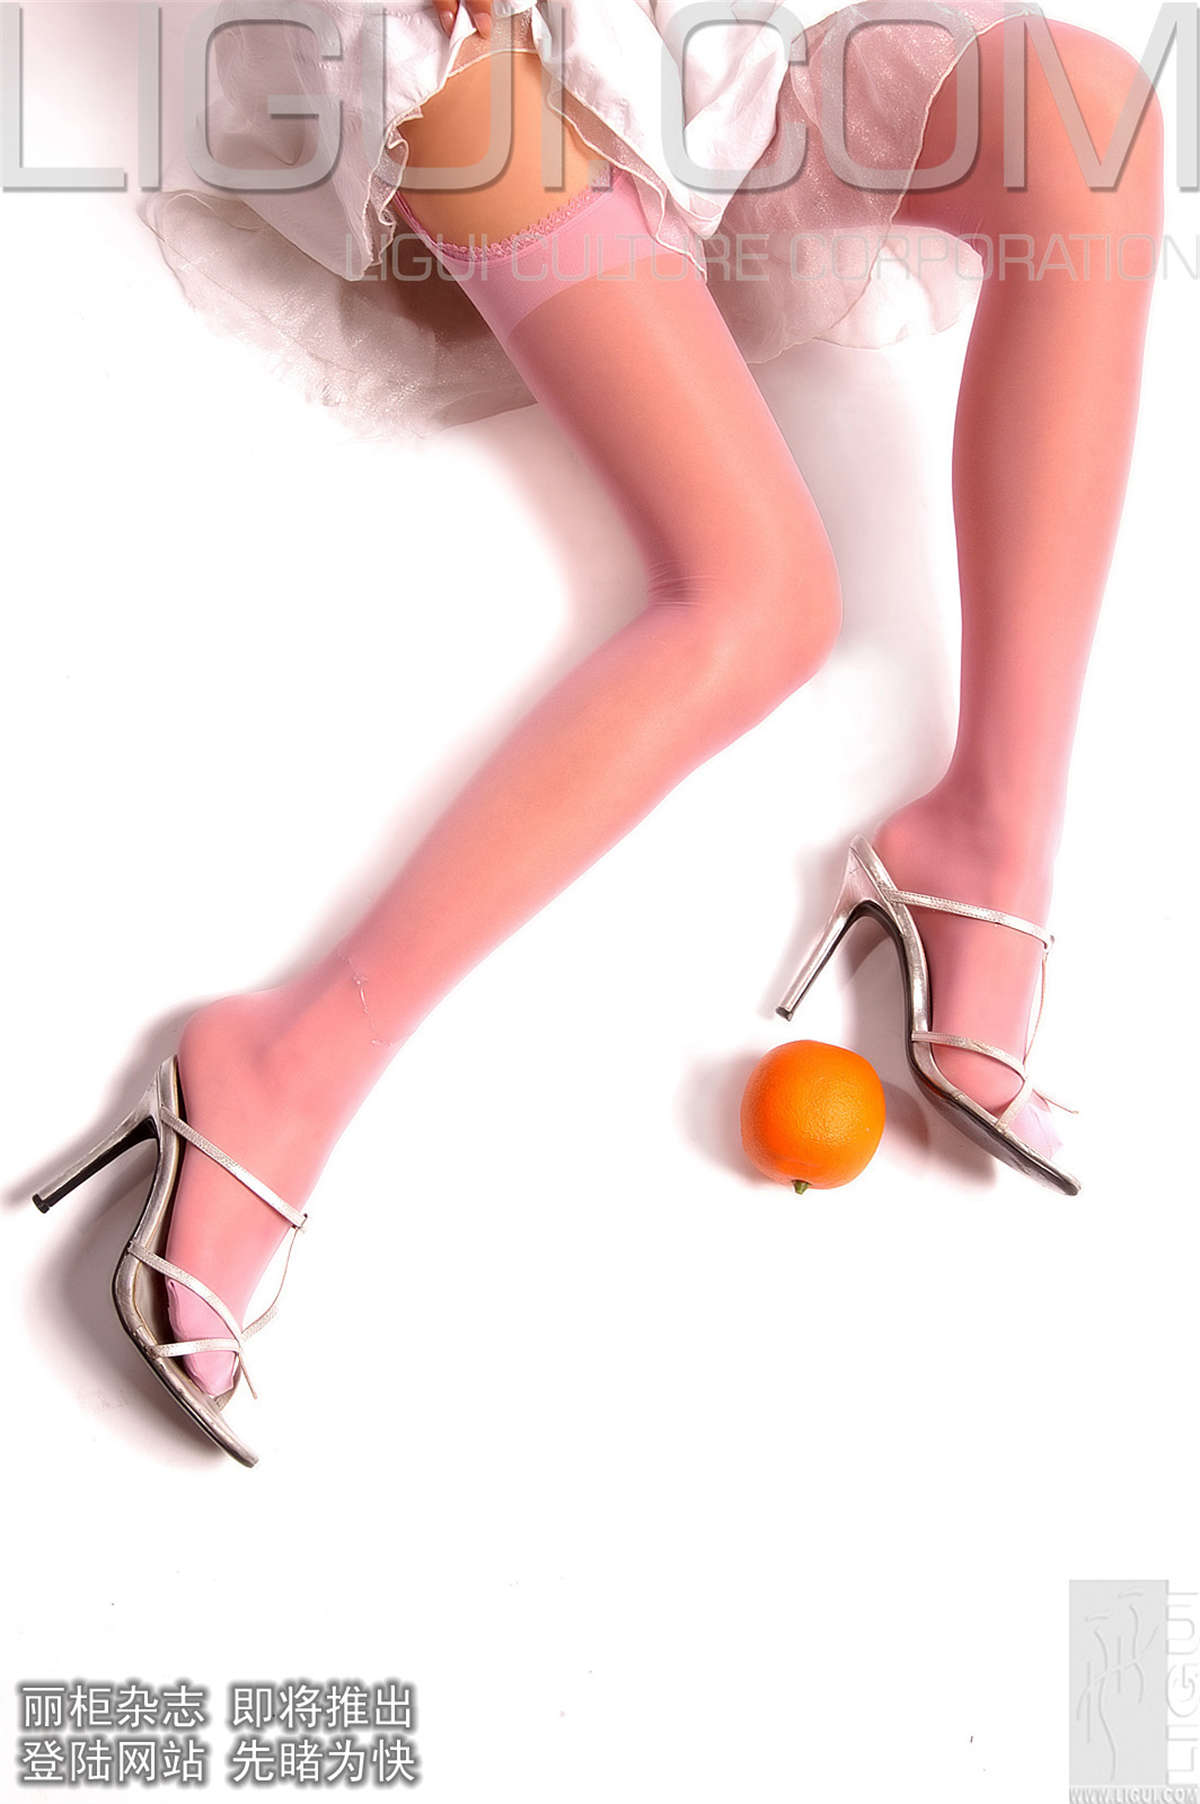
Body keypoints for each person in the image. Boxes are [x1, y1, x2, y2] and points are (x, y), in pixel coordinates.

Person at [34, 0, 1164, 1459]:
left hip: (697, 41)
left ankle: (987, 842)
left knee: (1091, 122)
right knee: (761, 598)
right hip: (462, 53)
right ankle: (280, 1066)